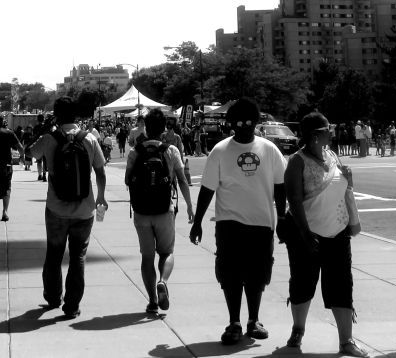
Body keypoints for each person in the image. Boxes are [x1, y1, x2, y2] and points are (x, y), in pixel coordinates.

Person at [189, 97, 286, 345]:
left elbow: (280, 187)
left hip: (262, 223)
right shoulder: (220, 151)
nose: (243, 126)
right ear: (231, 123)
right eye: (238, 122)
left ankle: (254, 320)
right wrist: (197, 221)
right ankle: (234, 322)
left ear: (256, 122)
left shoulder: (270, 149)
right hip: (228, 223)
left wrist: (283, 217)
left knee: (258, 274)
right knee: (230, 274)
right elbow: (207, 190)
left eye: (249, 122)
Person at [282, 112, 367, 357]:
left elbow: (341, 187)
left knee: (342, 285)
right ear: (314, 135)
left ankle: (346, 340)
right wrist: (306, 234)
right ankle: (298, 330)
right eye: (327, 129)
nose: (331, 132)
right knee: (302, 283)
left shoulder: (331, 156)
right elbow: (294, 200)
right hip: (307, 236)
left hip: (338, 234)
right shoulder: (297, 161)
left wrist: (348, 179)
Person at [30, 96, 107, 318]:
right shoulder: (89, 138)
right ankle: (72, 306)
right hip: (84, 210)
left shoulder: (49, 139)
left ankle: (54, 297)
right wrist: (100, 197)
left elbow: (27, 153)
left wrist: (43, 129)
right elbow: (100, 171)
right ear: (76, 114)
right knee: (78, 257)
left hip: (56, 209)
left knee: (54, 255)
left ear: (57, 114)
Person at [125, 109, 194, 315]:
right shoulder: (170, 150)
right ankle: (163, 281)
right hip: (164, 210)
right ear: (164, 128)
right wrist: (190, 205)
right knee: (167, 252)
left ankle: (153, 301)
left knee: (147, 257)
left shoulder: (135, 151)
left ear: (146, 127)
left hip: (141, 211)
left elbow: (128, 179)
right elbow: (182, 179)